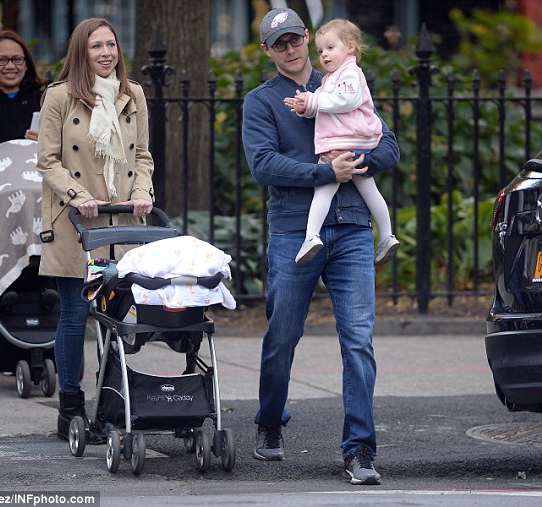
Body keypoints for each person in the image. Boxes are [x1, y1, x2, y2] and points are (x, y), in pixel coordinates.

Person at [242, 8, 399, 485]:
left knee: (358, 341)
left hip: (352, 228)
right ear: (267, 51)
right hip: (295, 230)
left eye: (295, 39)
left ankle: (360, 450)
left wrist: (356, 160)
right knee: (283, 335)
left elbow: (388, 147)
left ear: (307, 38)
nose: (290, 49)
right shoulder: (261, 101)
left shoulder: (344, 79)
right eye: (279, 44)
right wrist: (324, 172)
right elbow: (263, 164)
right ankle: (271, 421)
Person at [36, 18, 154, 442]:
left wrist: (141, 191)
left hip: (122, 221)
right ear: (81, 53)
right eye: (96, 46)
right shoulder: (59, 96)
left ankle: (110, 405)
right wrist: (78, 194)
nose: (106, 53)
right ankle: (70, 406)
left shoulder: (132, 94)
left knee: (117, 317)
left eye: (111, 45)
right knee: (75, 313)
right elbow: (48, 160)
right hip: (76, 221)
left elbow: (142, 156)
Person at [284, 19, 399, 266]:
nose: (324, 55)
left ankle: (311, 236)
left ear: (350, 47)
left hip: (349, 140)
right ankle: (387, 236)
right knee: (368, 190)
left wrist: (313, 101)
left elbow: (346, 100)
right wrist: (306, 107)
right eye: (320, 51)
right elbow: (325, 106)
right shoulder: (331, 78)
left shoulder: (351, 73)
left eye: (330, 47)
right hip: (352, 142)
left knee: (324, 188)